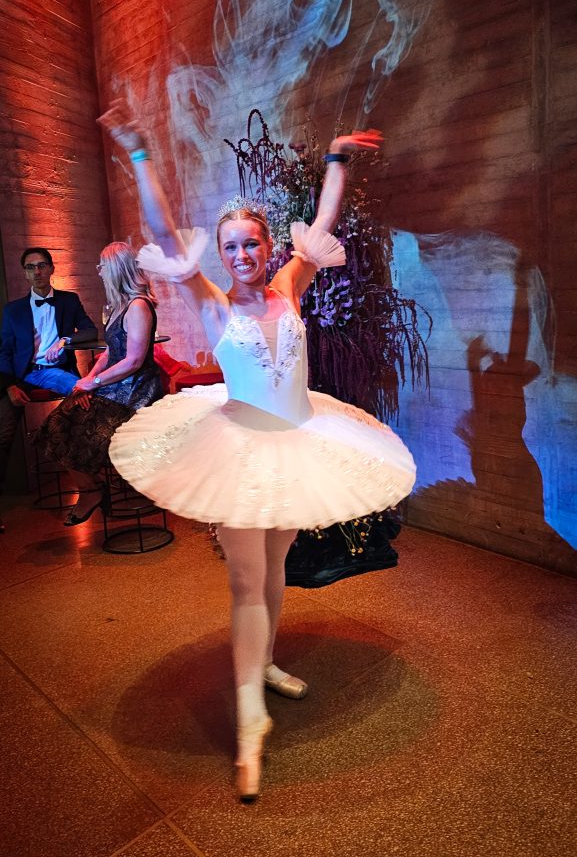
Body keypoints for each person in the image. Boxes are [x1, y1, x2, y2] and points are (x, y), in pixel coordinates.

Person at [98, 101, 416, 803]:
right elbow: (162, 232)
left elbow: (323, 223)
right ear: (220, 254)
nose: (242, 256)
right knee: (246, 580)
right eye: (230, 247)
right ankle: (250, 720)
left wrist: (336, 160)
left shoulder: (288, 286)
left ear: (268, 246)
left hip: (298, 443)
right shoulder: (213, 302)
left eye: (251, 244)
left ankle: (265, 663)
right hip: (238, 450)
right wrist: (140, 152)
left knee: (276, 565)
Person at [34, 242, 164, 525]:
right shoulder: (119, 305)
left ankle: (93, 490)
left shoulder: (138, 306)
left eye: (102, 266)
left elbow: (133, 361)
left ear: (116, 269)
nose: (99, 271)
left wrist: (94, 383)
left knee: (72, 427)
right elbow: (108, 353)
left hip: (135, 391)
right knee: (54, 425)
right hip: (115, 386)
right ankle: (90, 489)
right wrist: (87, 380)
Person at [0, 247, 97, 509]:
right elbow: (4, 351)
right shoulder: (13, 310)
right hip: (21, 377)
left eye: (42, 265)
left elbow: (89, 331)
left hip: (56, 372)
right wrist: (9, 386)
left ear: (52, 268)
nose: (37, 272)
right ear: (25, 273)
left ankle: (92, 489)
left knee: (86, 398)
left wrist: (65, 340)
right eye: (30, 267)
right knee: (3, 435)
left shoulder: (68, 300)